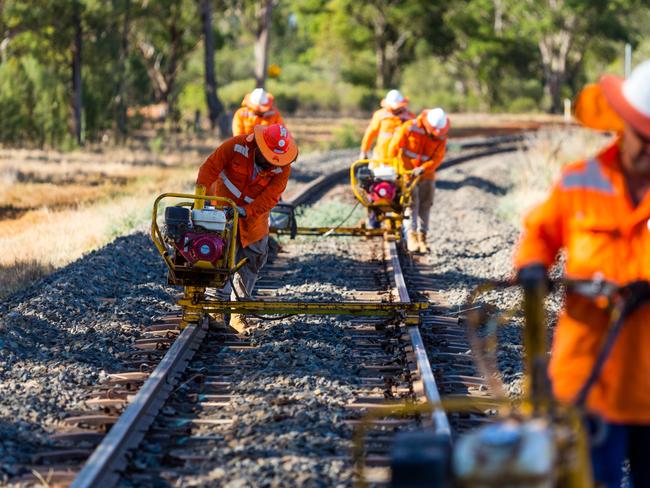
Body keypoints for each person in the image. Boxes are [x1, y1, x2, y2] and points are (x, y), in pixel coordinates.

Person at [514, 60, 650, 487]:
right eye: (643, 139)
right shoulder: (580, 181)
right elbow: (540, 232)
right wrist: (532, 265)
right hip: (590, 372)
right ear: (624, 128)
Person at [196, 124, 298, 332]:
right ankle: (216, 309)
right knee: (220, 257)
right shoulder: (236, 146)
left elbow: (271, 197)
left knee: (251, 262)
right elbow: (209, 168)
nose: (272, 163)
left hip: (254, 220)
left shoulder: (283, 167)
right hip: (222, 213)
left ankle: (238, 314)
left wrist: (246, 211)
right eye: (269, 157)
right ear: (259, 147)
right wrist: (201, 201)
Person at [387, 108, 449, 253]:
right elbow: (393, 149)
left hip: (426, 175)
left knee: (425, 205)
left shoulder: (441, 136)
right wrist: (399, 169)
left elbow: (437, 158)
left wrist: (424, 168)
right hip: (407, 173)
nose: (436, 135)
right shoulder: (409, 127)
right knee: (411, 204)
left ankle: (422, 238)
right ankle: (411, 237)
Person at [360, 89, 415, 162]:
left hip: (401, 158)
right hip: (381, 156)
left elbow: (416, 137)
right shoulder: (380, 115)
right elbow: (370, 133)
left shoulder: (410, 117)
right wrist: (364, 151)